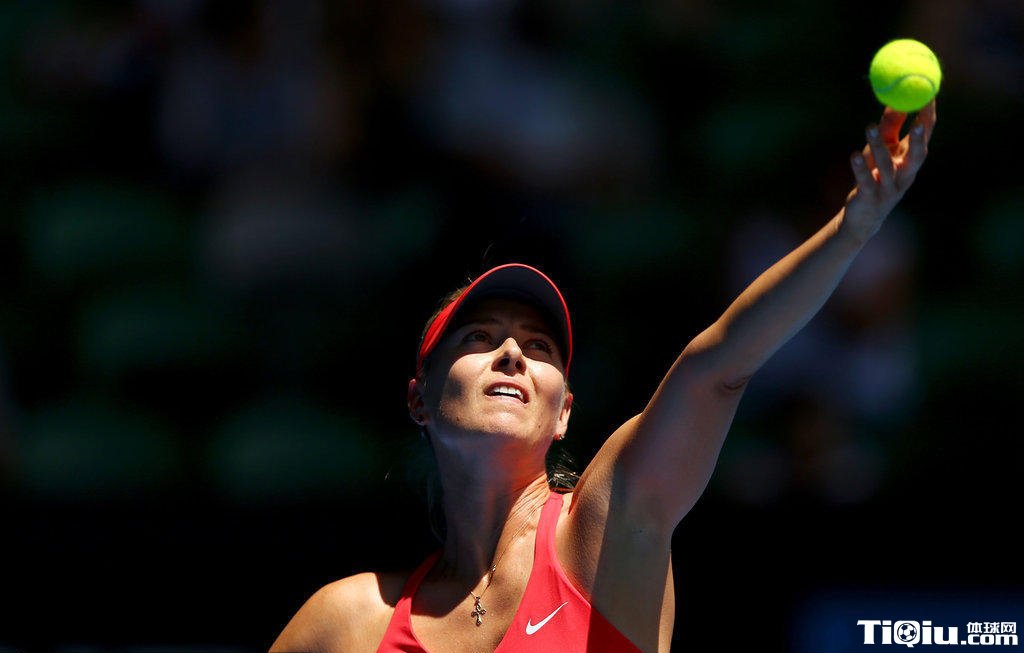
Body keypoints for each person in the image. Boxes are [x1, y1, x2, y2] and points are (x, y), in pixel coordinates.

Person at [269, 101, 937, 653]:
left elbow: (715, 370)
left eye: (539, 347)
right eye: (478, 338)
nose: (512, 353)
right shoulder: (348, 622)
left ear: (564, 410)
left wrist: (852, 231)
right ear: (419, 399)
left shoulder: (606, 526)